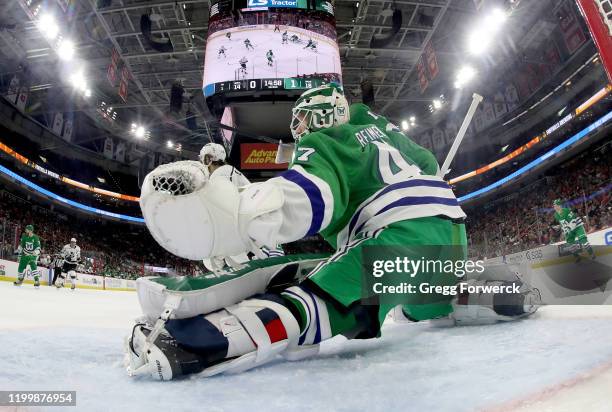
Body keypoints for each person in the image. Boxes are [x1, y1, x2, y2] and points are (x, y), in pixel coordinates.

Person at [132, 84, 539, 380]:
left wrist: (239, 216)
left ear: (324, 114)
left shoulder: (328, 140)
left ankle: (194, 340)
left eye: (303, 119)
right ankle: (501, 290)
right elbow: (429, 170)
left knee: (324, 295)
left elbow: (310, 197)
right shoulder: (392, 136)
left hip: (398, 237)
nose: (299, 129)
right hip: (451, 235)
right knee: (421, 305)